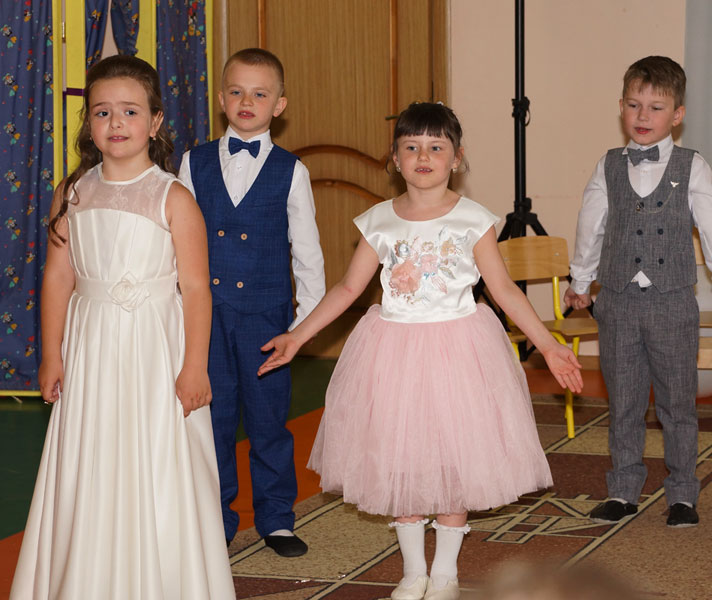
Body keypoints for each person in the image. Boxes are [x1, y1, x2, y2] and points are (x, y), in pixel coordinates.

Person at [257, 102, 583, 600]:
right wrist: (298, 335)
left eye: (435, 147)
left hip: (460, 351)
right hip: (394, 351)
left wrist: (548, 344)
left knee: (456, 457)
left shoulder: (473, 219)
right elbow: (348, 289)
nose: (423, 156)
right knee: (401, 457)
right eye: (411, 147)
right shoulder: (379, 221)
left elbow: (503, 290)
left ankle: (445, 571)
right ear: (395, 158)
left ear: (457, 158)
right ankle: (413, 571)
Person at [11, 55, 235, 599]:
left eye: (130, 111)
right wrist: (51, 354)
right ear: (88, 122)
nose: (116, 122)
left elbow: (196, 289)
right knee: (91, 457)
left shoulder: (173, 197)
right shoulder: (73, 192)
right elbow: (58, 276)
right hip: (91, 347)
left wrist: (195, 367)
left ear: (155, 122)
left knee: (153, 456)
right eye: (102, 112)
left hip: (154, 349)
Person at [565, 56, 712, 528]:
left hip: (673, 302)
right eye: (634, 105)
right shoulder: (608, 165)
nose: (643, 116)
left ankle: (683, 494)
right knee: (624, 401)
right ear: (621, 108)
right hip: (618, 303)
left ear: (678, 114)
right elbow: (590, 225)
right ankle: (623, 489)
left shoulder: (693, 167)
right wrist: (580, 282)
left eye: (655, 107)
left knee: (677, 403)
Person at [178, 48, 325, 557]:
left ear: (278, 106)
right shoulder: (193, 162)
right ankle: (215, 520)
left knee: (268, 422)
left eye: (260, 94)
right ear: (221, 99)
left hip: (267, 320)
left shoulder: (292, 170)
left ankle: (277, 519)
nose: (247, 101)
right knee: (213, 421)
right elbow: (177, 242)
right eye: (237, 91)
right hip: (208, 317)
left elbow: (307, 252)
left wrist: (302, 327)